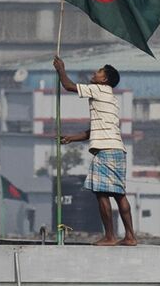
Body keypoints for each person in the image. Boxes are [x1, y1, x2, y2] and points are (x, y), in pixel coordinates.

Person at [53, 55, 138, 246]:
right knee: (119, 194)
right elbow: (97, 130)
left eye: (99, 72)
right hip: (117, 149)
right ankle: (131, 236)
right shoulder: (113, 100)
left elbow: (68, 86)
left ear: (104, 79)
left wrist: (61, 69)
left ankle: (110, 236)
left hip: (105, 151)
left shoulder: (97, 89)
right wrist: (72, 138)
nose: (94, 73)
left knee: (101, 193)